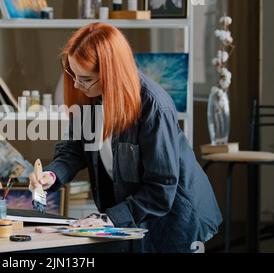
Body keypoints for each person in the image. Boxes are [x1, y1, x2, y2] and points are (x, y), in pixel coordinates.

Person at [29, 23, 222, 253]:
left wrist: (110, 218)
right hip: (135, 215)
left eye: (86, 78)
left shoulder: (154, 107)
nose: (78, 85)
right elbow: (73, 150)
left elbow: (160, 189)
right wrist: (52, 175)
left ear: (112, 74)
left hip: (177, 217)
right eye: (73, 75)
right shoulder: (90, 97)